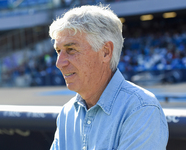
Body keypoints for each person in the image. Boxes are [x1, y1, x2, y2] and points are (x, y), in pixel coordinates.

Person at [49, 5, 169, 150]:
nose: (59, 63)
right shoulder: (67, 113)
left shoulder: (141, 109)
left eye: (71, 50)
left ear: (106, 52)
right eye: (58, 51)